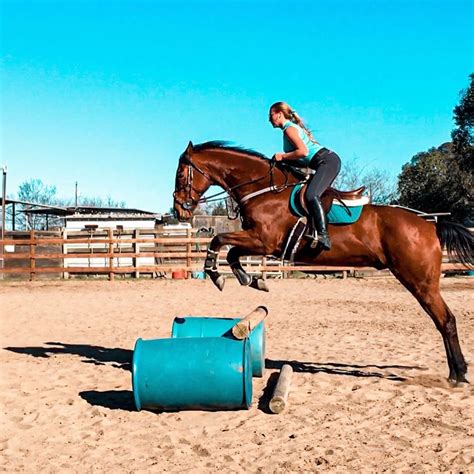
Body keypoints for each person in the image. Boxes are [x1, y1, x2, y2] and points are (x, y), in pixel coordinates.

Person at [269, 101, 341, 250]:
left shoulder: (289, 129)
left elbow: (303, 152)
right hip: (321, 163)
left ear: (279, 114)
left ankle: (323, 235)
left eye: (271, 116)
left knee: (311, 194)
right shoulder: (287, 131)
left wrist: (282, 157)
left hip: (327, 161)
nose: (269, 120)